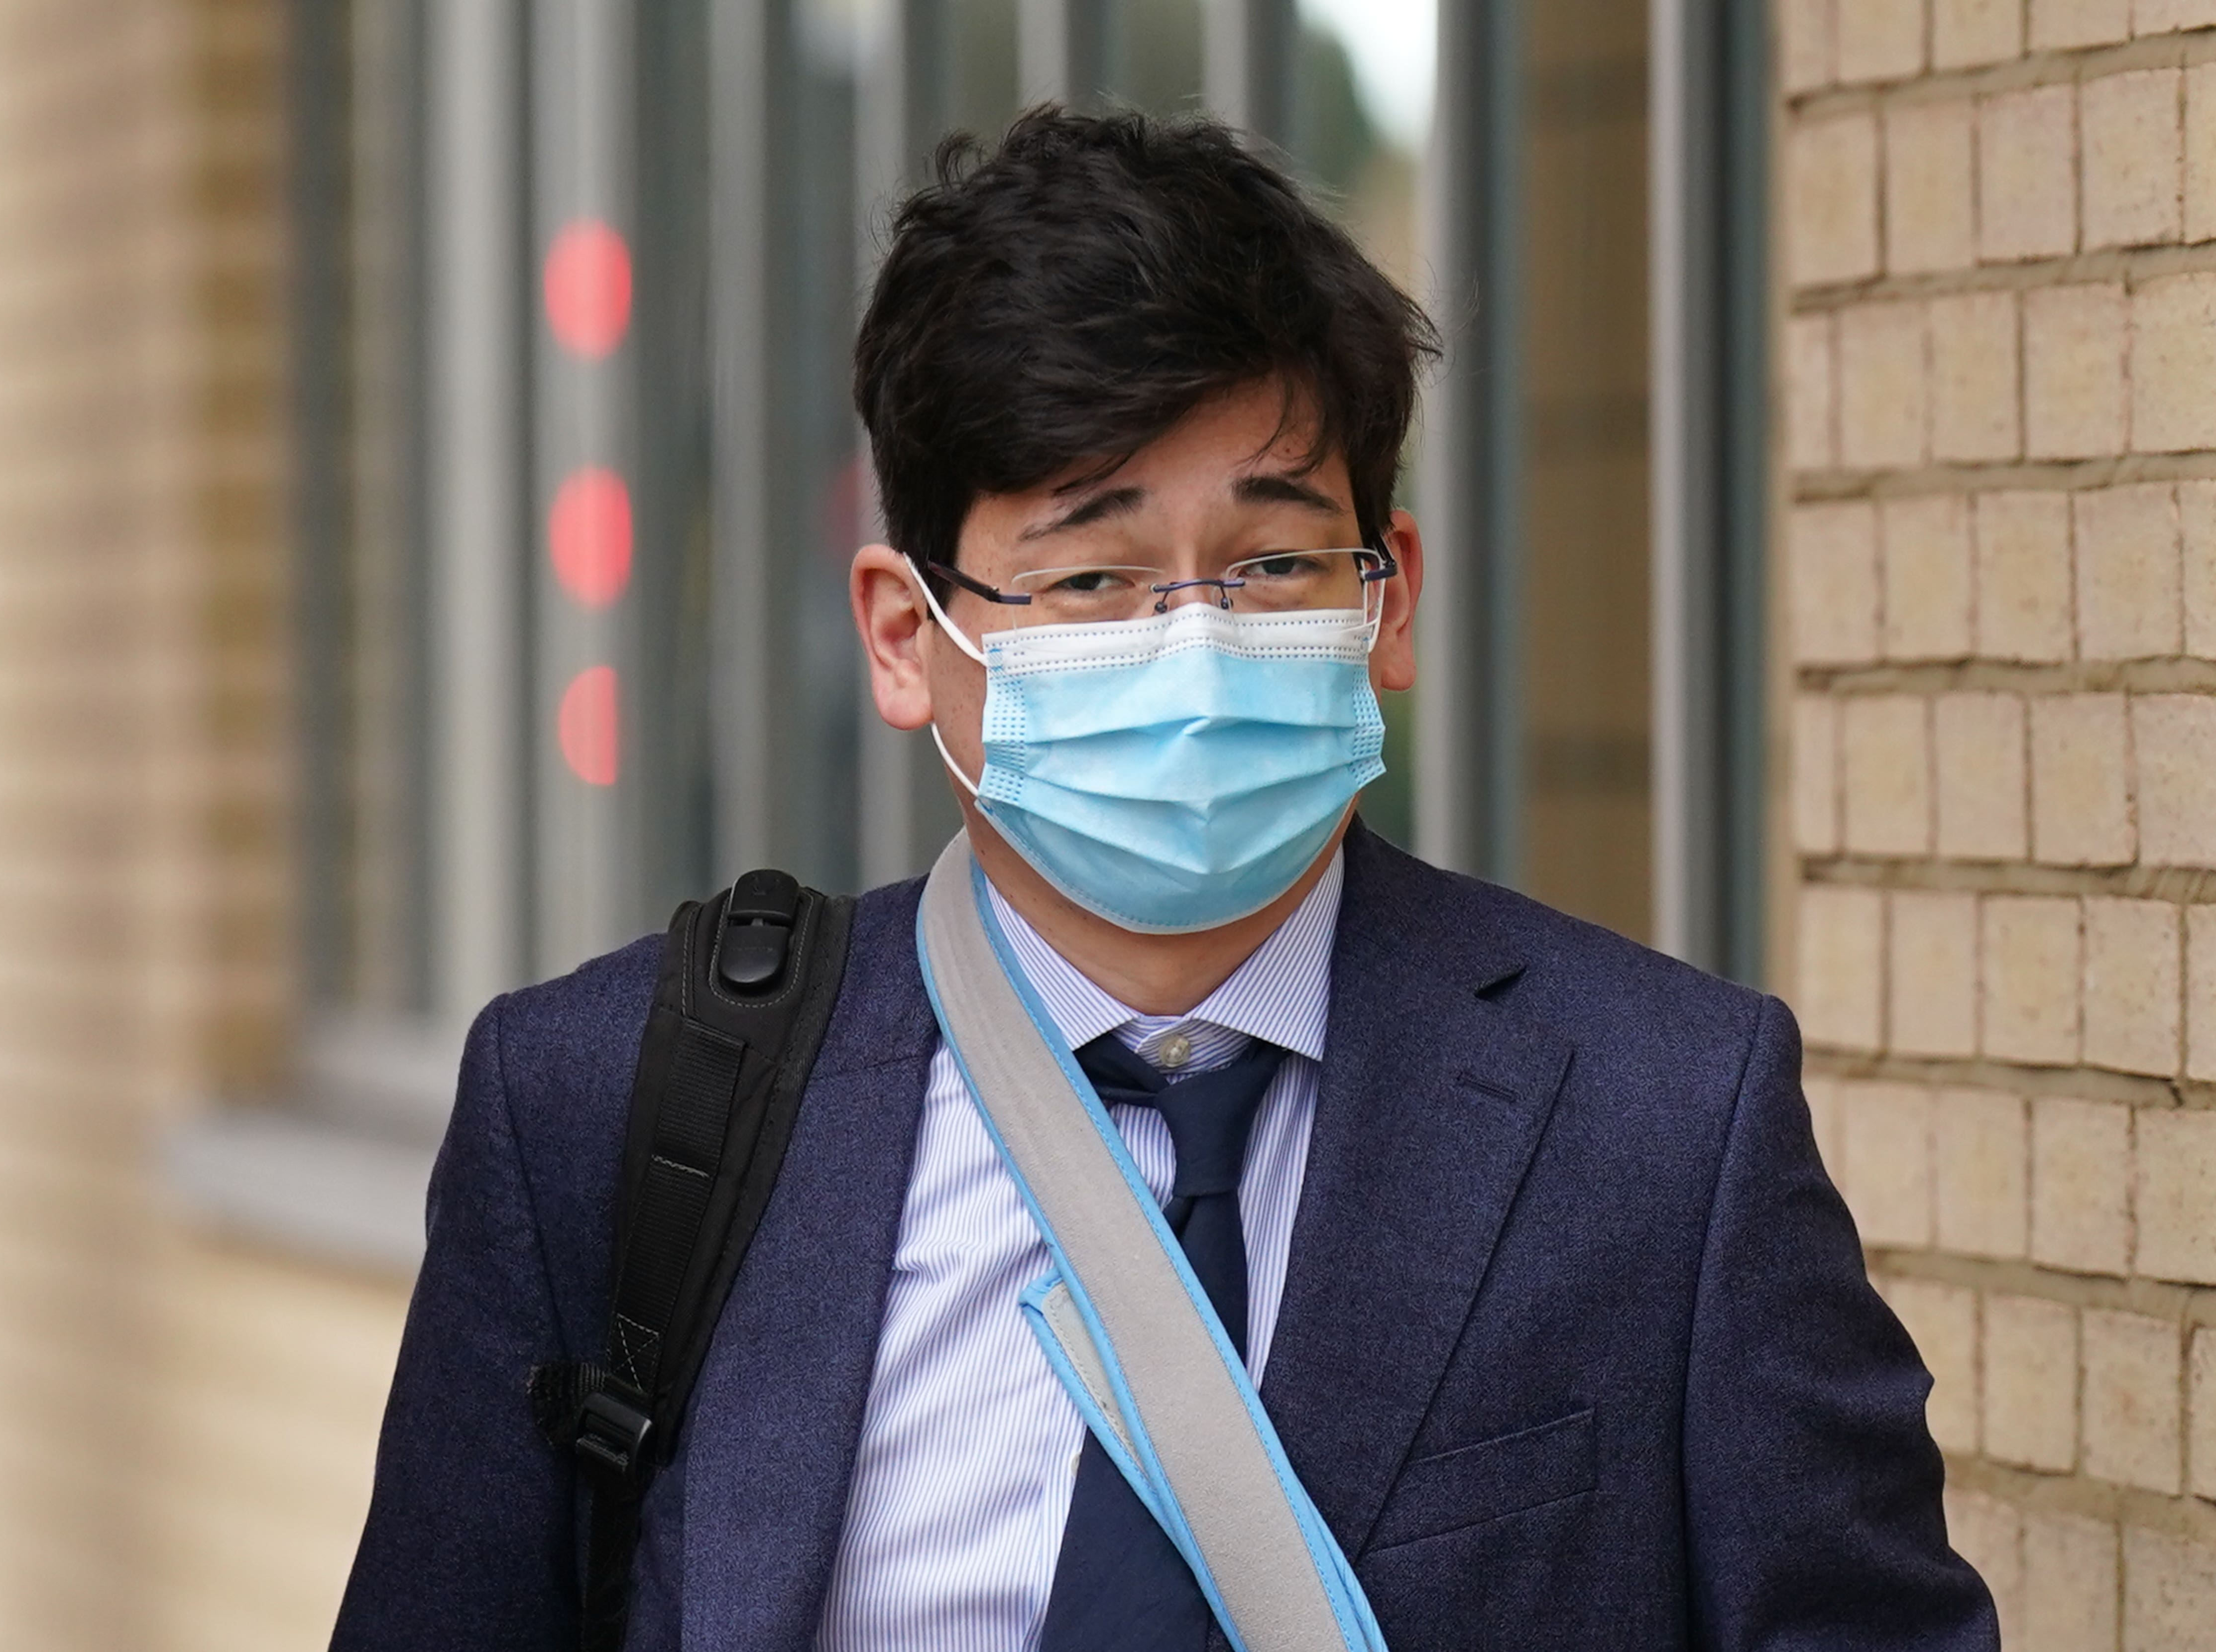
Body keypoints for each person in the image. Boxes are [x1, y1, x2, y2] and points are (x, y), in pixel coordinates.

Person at [330, 110, 1997, 1652]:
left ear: (1386, 596)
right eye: (1095, 572)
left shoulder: (1663, 1124)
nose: (1194, 636)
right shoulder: (610, 1109)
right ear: (910, 638)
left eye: (1272, 561)